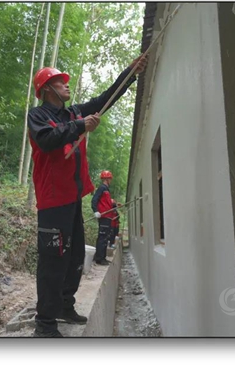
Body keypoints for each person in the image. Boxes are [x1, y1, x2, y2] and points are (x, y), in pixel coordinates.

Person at [27, 54, 148, 337]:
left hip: (71, 199)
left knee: (75, 258)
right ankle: (44, 323)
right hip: (52, 200)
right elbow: (47, 140)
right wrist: (81, 127)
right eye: (60, 82)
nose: (66, 86)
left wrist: (130, 73)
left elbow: (107, 98)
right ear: (47, 90)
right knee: (52, 261)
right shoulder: (38, 116)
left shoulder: (74, 113)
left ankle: (64, 307)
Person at [91, 171, 117, 264]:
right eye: (110, 179)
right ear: (107, 179)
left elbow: (106, 202)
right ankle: (99, 258)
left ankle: (103, 257)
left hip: (108, 216)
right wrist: (96, 211)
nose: (110, 180)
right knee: (102, 237)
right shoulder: (102, 188)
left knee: (105, 237)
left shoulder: (106, 189)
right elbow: (94, 199)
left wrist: (113, 204)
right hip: (104, 216)